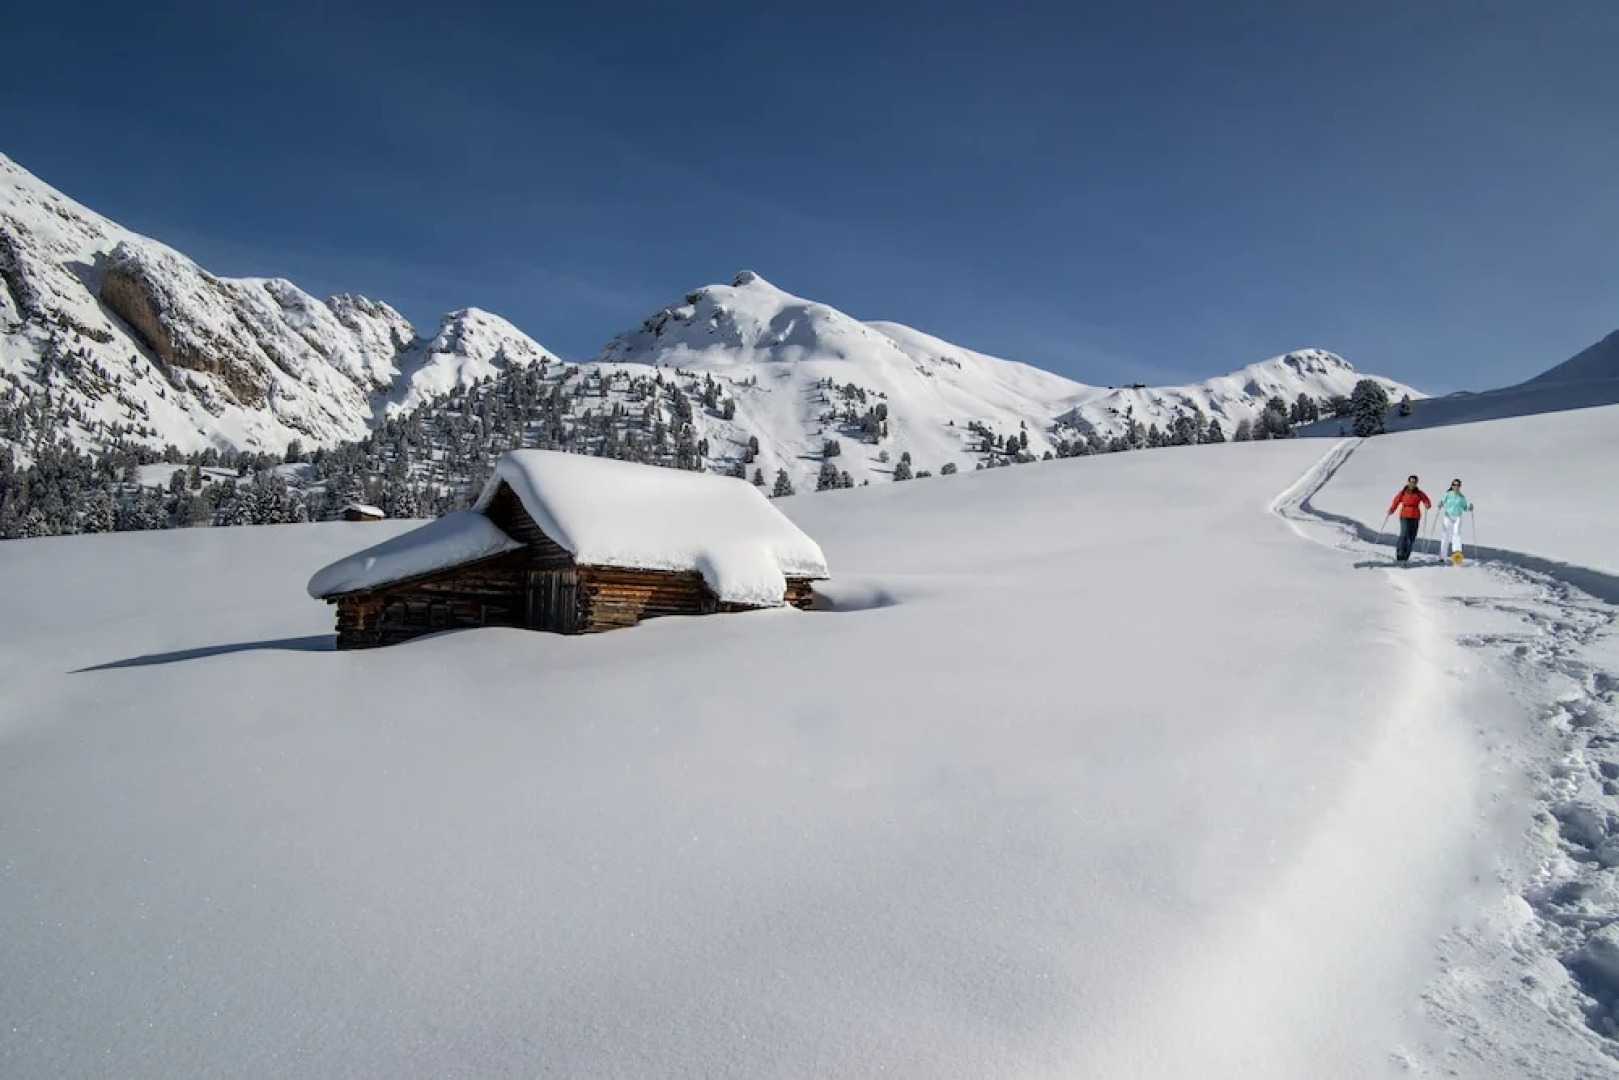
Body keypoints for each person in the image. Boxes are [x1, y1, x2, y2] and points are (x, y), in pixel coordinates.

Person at [1388, 474, 1431, 562]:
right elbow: (1396, 501)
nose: (1412, 484)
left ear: (1416, 483)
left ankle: (1406, 556)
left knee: (1412, 537)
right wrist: (1392, 509)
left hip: (1415, 516)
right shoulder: (1403, 492)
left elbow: (1426, 499)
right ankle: (1400, 554)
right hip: (1405, 515)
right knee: (1404, 534)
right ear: (1408, 482)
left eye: (1414, 482)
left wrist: (1427, 504)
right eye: (1411, 482)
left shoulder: (1419, 493)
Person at [1437, 478, 1473, 562]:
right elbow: (1442, 501)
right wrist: (1440, 504)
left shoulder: (1461, 497)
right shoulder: (1448, 494)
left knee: (1456, 534)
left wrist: (1470, 508)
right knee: (1445, 535)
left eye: (1457, 485)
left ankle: (1456, 554)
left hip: (1457, 517)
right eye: (1454, 485)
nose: (1456, 487)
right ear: (1452, 486)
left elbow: (1464, 508)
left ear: (1460, 486)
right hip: (1448, 516)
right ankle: (1442, 556)